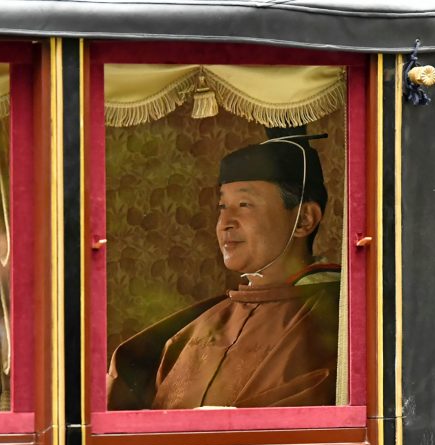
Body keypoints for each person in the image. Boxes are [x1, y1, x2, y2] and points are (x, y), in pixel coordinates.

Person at [106, 133, 340, 410]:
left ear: (303, 219)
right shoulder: (200, 327)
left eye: (244, 205)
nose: (225, 223)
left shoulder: (336, 319)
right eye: (222, 207)